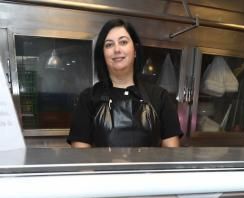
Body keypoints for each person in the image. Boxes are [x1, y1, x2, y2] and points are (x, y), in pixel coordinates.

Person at [67, 18, 182, 148]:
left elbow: (171, 155)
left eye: (123, 42)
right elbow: (82, 160)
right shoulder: (88, 98)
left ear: (135, 51)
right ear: (102, 54)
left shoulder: (160, 97)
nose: (117, 49)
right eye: (109, 44)